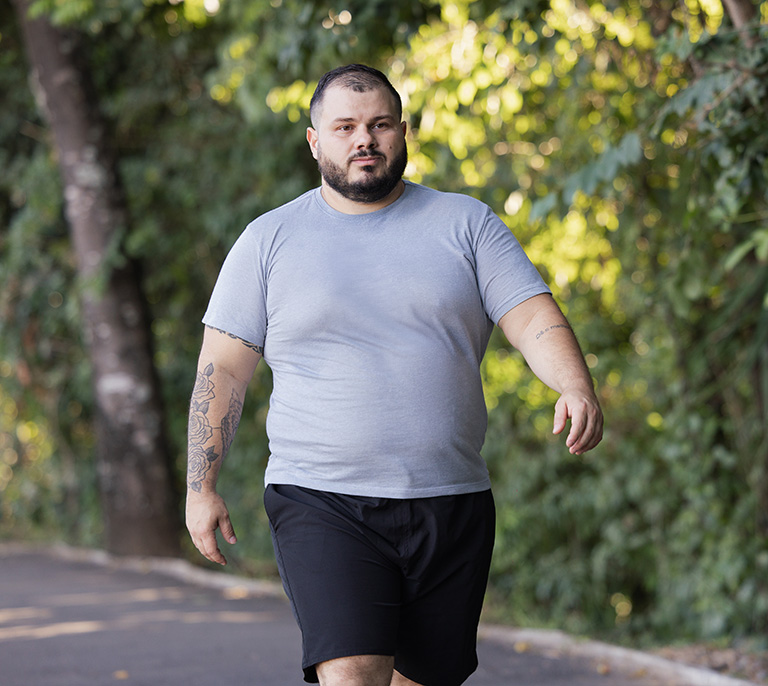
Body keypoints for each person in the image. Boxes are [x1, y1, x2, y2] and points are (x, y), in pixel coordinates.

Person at [186, 64, 603, 686]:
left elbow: (532, 317)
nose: (364, 139)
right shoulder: (268, 240)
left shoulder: (467, 224)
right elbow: (222, 369)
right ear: (314, 141)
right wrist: (201, 487)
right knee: (352, 671)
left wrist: (573, 384)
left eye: (380, 124)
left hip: (450, 499)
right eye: (345, 127)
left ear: (402, 133)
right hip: (320, 497)